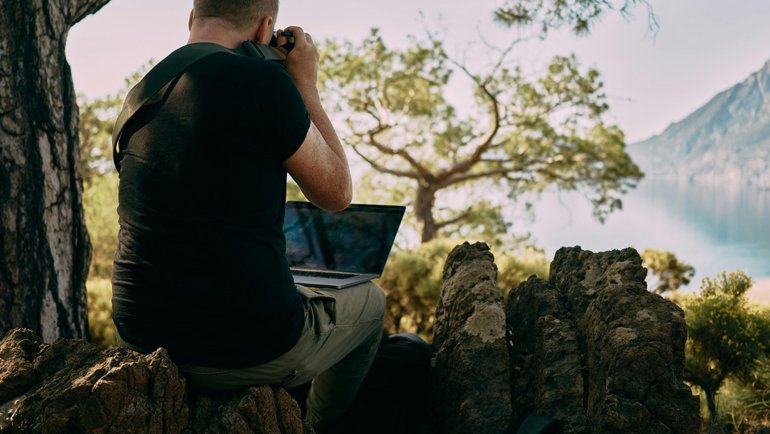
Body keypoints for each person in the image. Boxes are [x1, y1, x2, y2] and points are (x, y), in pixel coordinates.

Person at [110, 1, 386, 431]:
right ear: (264, 30)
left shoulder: (138, 95)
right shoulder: (264, 84)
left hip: (140, 336)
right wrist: (305, 85)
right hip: (246, 349)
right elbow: (337, 194)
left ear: (191, 19)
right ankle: (316, 426)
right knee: (371, 302)